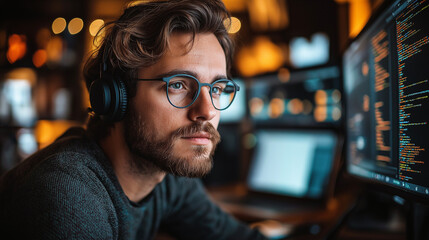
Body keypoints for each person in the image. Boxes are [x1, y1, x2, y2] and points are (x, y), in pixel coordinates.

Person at [0, 0, 268, 239]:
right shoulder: (66, 194)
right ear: (118, 97)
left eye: (217, 89)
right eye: (177, 85)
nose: (207, 111)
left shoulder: (167, 178)